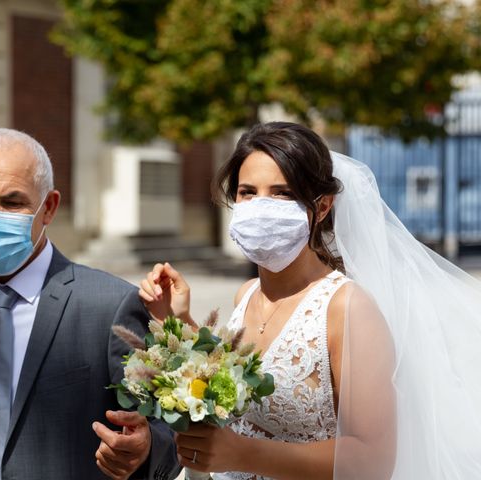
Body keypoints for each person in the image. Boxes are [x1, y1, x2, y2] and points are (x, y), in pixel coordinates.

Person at [140, 122, 481, 479]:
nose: (261, 206)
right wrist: (174, 320)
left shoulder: (347, 309)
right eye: (247, 192)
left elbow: (373, 460)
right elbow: (221, 392)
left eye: (282, 193)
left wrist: (244, 454)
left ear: (321, 207)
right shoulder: (247, 295)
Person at [0, 129, 181, 480]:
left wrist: (146, 449)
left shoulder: (109, 305)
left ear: (48, 207)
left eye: (11, 202)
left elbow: (167, 430)